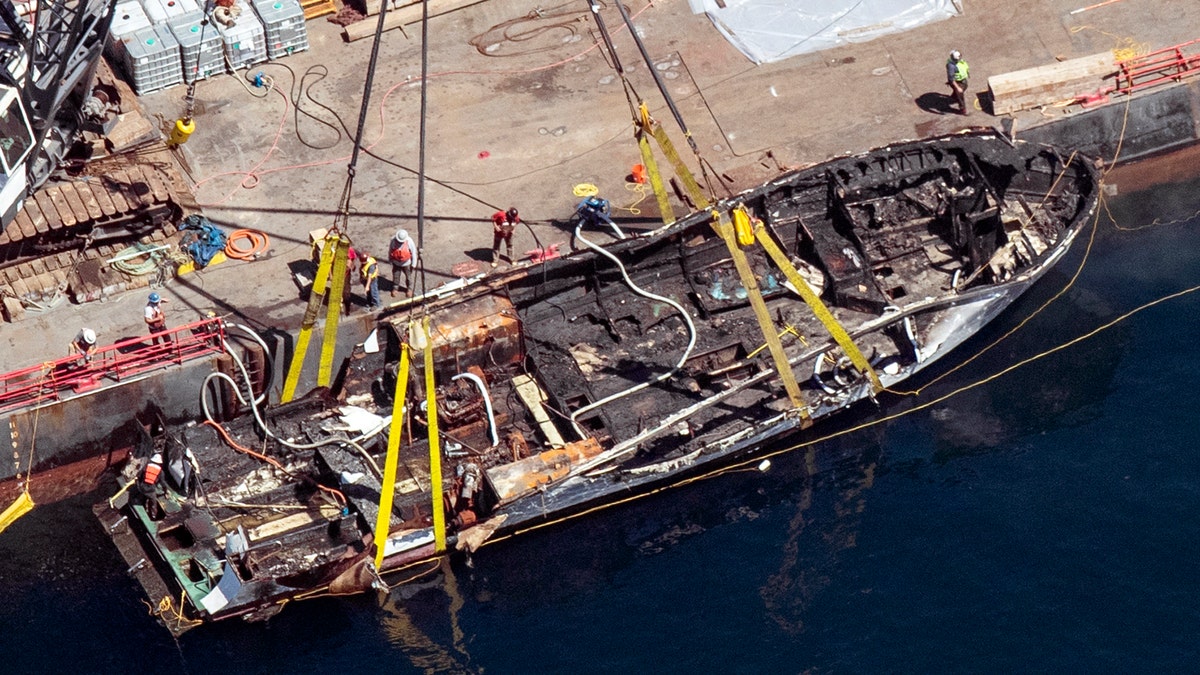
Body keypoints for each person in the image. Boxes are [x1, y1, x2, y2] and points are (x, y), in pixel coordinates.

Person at [388, 229, 417, 298]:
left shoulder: (409, 241)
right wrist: (390, 260)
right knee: (396, 276)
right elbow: (390, 250)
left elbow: (413, 253)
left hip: (406, 264)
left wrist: (413, 264)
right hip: (396, 263)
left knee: (408, 277)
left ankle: (409, 289)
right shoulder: (393, 240)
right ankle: (395, 288)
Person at [946, 49, 970, 116]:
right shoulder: (951, 66)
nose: (960, 57)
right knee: (960, 96)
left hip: (963, 81)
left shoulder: (958, 60)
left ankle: (954, 96)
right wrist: (957, 88)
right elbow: (951, 79)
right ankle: (963, 110)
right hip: (957, 82)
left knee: (964, 87)